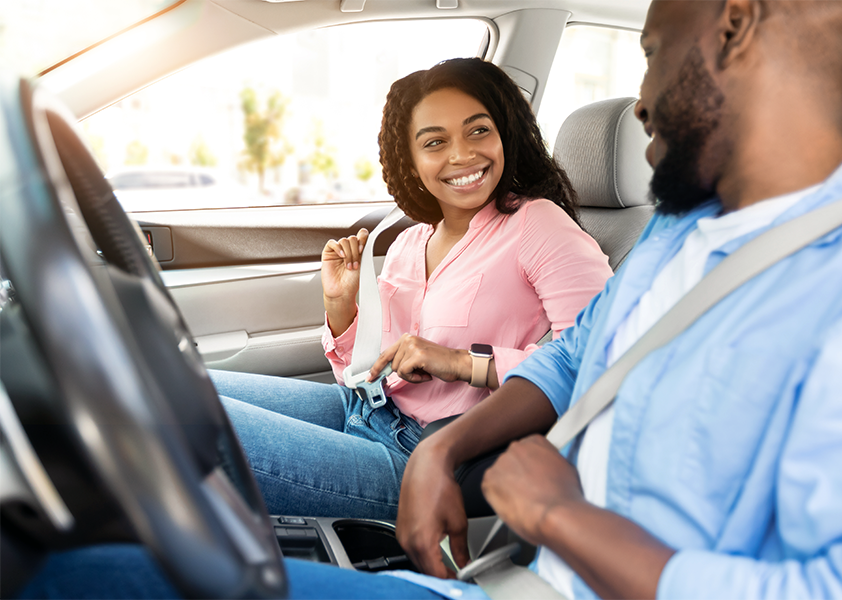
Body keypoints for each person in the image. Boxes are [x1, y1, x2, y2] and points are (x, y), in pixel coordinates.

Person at [16, 1, 842, 599]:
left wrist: (557, 513)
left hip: (541, 554)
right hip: (474, 519)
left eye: (651, 50)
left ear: (734, 22)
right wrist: (434, 430)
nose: (635, 102)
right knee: (161, 427)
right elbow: (574, 353)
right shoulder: (685, 225)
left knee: (78, 571)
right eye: (432, 141)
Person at [207, 57, 613, 519]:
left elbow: (601, 357)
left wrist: (462, 363)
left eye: (478, 131)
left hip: (419, 457)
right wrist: (340, 308)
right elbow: (365, 371)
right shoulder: (409, 240)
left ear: (505, 134)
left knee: (194, 427)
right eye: (436, 142)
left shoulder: (536, 224)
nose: (462, 155)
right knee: (183, 388)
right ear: (412, 160)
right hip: (362, 407)